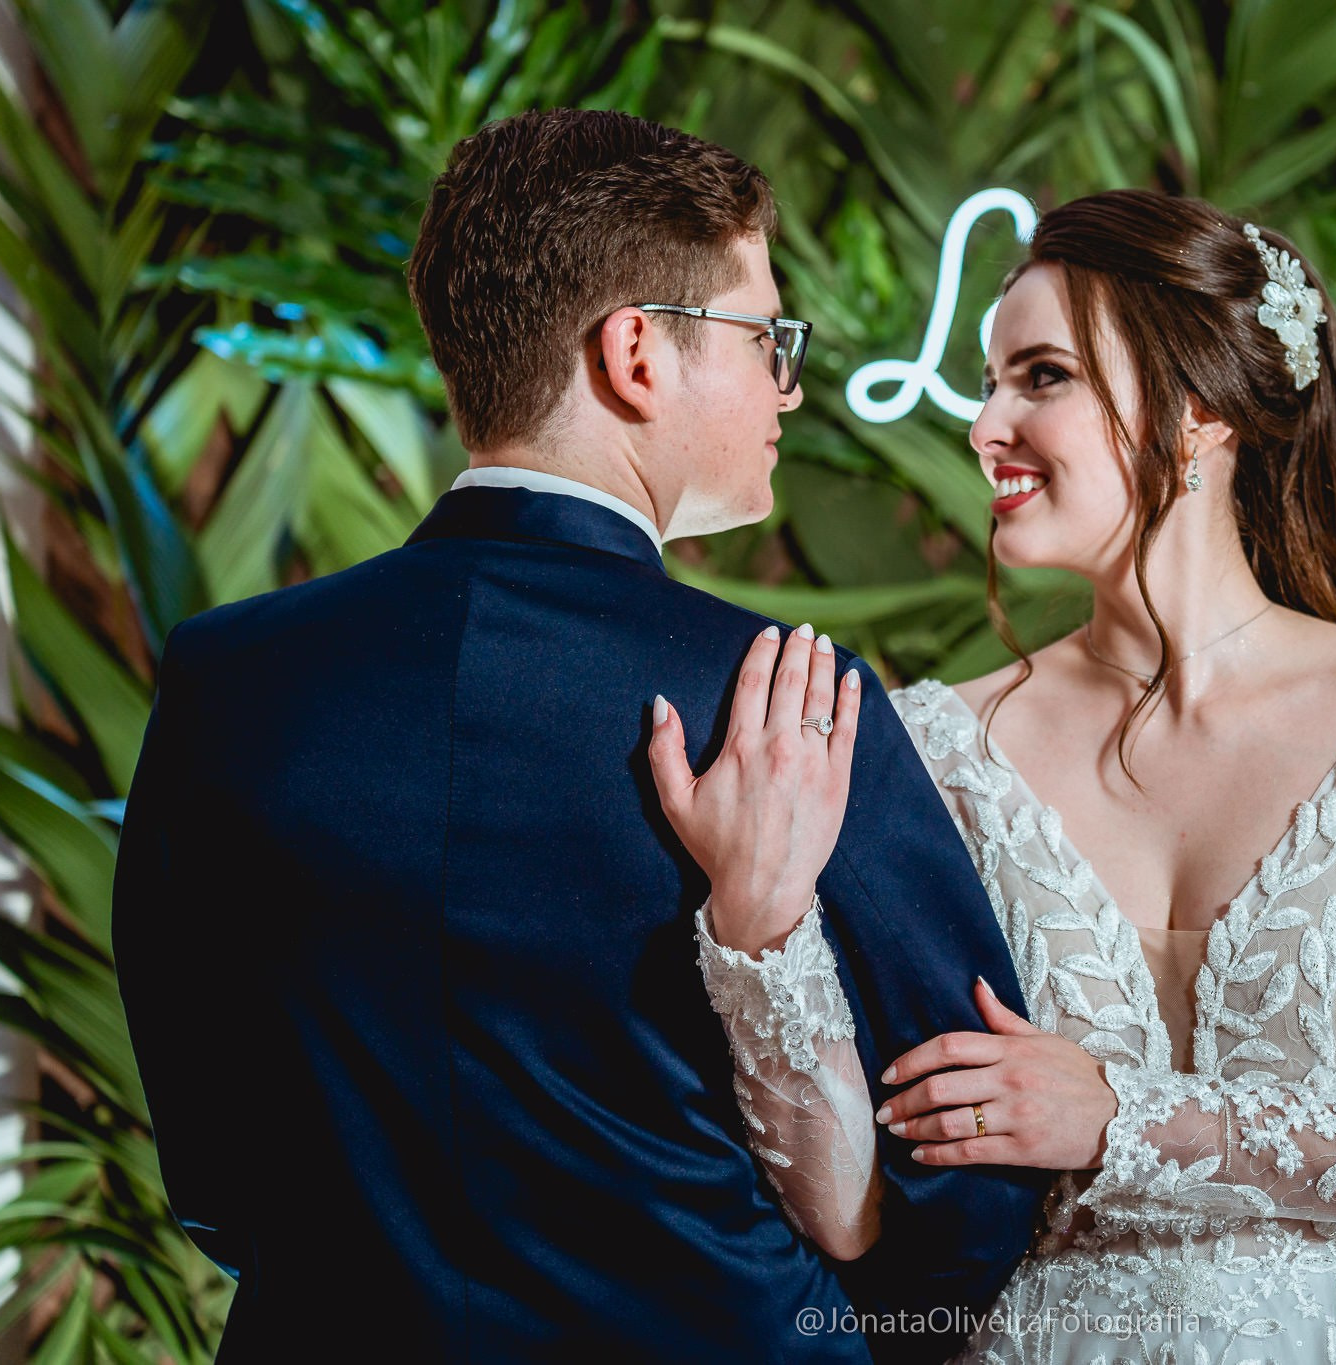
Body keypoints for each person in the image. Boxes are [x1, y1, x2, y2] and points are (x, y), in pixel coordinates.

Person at [111, 109, 1049, 1363]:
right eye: (767, 336)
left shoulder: (229, 681)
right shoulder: (777, 699)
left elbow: (214, 1161)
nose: (789, 382)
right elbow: (971, 1175)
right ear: (636, 356)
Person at [667, 189, 1336, 1362]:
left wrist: (1126, 1117)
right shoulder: (928, 753)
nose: (983, 426)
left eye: (1041, 376)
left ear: (1199, 409)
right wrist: (759, 932)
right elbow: (850, 1210)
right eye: (991, 381)